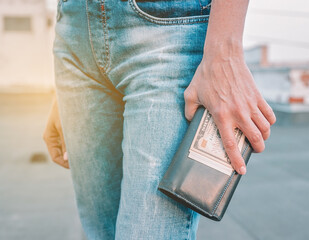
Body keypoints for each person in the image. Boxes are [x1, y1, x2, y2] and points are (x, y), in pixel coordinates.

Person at [43, 0, 276, 239]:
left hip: (167, 25)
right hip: (75, 30)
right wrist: (58, 95)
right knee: (99, 233)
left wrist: (225, 51)